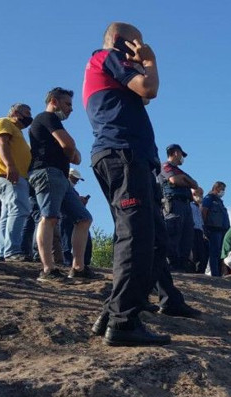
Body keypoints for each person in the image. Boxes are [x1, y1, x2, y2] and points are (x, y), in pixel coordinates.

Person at [84, 22, 199, 347]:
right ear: (123, 44)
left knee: (154, 238)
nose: (142, 49)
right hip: (123, 155)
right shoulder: (105, 57)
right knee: (135, 238)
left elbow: (142, 98)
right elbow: (149, 89)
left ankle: (113, 313)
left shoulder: (110, 70)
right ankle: (123, 322)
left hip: (131, 158)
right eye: (139, 44)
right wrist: (149, 60)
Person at [28, 87, 95, 282]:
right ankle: (48, 269)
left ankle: (78, 267)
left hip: (59, 176)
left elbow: (77, 157)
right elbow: (70, 146)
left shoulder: (50, 122)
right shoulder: (47, 117)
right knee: (49, 217)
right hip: (47, 172)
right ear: (54, 101)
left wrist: (71, 151)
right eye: (67, 104)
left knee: (83, 218)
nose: (71, 109)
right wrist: (70, 151)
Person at [0, 103, 33, 261]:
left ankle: (2, 251)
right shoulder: (3, 122)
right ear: (16, 113)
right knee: (19, 210)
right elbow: (1, 142)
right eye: (27, 113)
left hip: (12, 176)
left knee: (7, 213)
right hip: (10, 175)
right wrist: (10, 165)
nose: (29, 116)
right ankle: (12, 250)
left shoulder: (17, 132)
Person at [158, 143, 200, 272]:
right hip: (173, 203)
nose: (183, 158)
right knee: (173, 233)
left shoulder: (181, 171)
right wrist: (184, 180)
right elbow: (174, 181)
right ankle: (171, 264)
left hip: (186, 204)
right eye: (182, 154)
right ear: (176, 152)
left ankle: (182, 264)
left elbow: (195, 185)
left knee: (187, 236)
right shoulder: (165, 166)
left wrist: (183, 178)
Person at [60, 168, 93, 268]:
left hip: (76, 219)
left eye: (76, 180)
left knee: (84, 238)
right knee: (66, 239)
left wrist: (81, 203)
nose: (75, 182)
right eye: (74, 179)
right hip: (65, 218)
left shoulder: (73, 192)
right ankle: (68, 262)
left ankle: (84, 262)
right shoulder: (63, 187)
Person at [201, 181, 230, 277]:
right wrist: (205, 227)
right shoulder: (209, 198)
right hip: (213, 229)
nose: (223, 192)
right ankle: (215, 273)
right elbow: (204, 211)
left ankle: (218, 272)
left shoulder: (219, 201)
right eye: (222, 189)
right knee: (214, 252)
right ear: (216, 188)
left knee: (220, 253)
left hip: (222, 230)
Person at [190, 192, 208, 274]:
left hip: (200, 231)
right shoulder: (190, 205)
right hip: (192, 230)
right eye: (199, 194)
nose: (201, 196)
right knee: (193, 253)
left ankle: (200, 271)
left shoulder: (198, 207)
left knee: (202, 254)